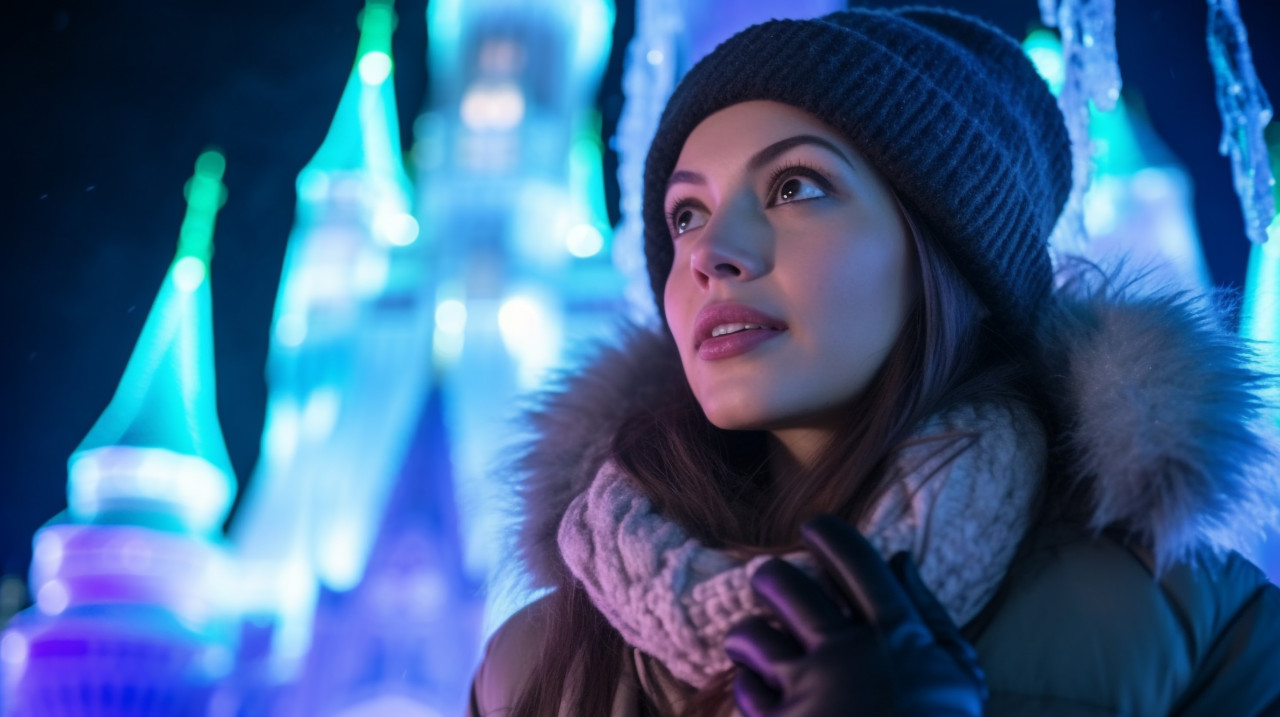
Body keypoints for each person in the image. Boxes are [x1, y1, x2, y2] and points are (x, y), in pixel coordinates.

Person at [467, 6, 1280, 716]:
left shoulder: (1191, 622)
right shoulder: (531, 666)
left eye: (794, 186)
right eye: (685, 214)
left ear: (948, 257)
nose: (712, 251)